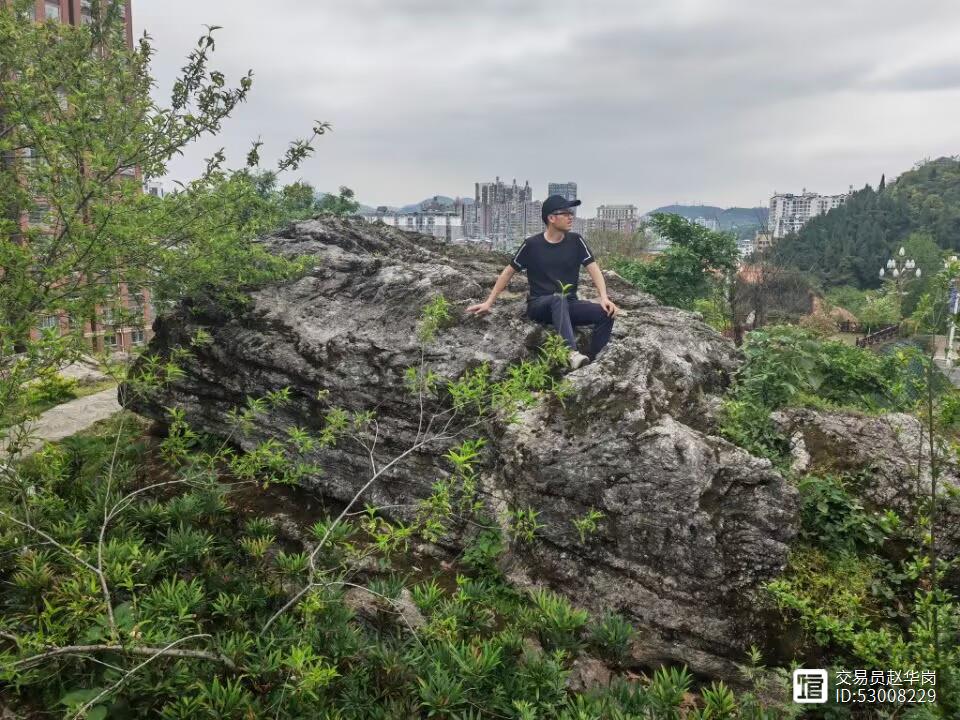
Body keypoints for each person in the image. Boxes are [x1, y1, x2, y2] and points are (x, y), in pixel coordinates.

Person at [465, 194, 619, 369]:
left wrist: (604, 297)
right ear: (551, 218)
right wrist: (489, 302)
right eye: (566, 213)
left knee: (605, 313)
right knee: (557, 298)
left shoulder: (576, 241)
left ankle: (594, 362)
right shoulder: (532, 245)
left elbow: (594, 269)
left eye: (572, 212)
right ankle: (570, 353)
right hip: (540, 305)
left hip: (568, 305)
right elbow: (508, 273)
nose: (571, 216)